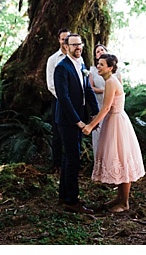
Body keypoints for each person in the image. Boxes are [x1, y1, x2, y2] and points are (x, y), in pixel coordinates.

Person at [82, 53, 145, 212]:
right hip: (114, 120)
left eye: (102, 64)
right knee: (117, 157)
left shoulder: (111, 82)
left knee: (121, 159)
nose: (98, 67)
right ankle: (119, 198)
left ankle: (124, 203)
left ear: (110, 67)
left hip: (117, 122)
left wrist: (90, 125)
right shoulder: (109, 81)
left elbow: (106, 107)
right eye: (98, 64)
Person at [53, 33, 99, 214]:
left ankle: (64, 195)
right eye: (74, 45)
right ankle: (72, 201)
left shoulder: (81, 65)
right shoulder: (61, 68)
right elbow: (63, 98)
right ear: (66, 47)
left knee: (69, 158)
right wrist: (78, 122)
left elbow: (87, 89)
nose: (78, 47)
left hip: (79, 116)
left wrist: (95, 113)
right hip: (67, 119)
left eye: (80, 44)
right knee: (73, 158)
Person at [46, 28, 70, 169]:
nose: (65, 41)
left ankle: (70, 163)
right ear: (59, 40)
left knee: (73, 132)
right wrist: (64, 98)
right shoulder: (53, 59)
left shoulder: (78, 58)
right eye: (63, 39)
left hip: (75, 102)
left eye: (68, 38)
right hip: (59, 101)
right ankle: (57, 165)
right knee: (57, 133)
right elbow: (50, 84)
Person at [87, 43, 109, 154]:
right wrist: (104, 91)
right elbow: (90, 87)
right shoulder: (93, 70)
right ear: (95, 56)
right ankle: (98, 162)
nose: (100, 52)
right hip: (98, 104)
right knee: (99, 134)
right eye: (97, 51)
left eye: (102, 50)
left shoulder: (115, 70)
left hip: (111, 105)